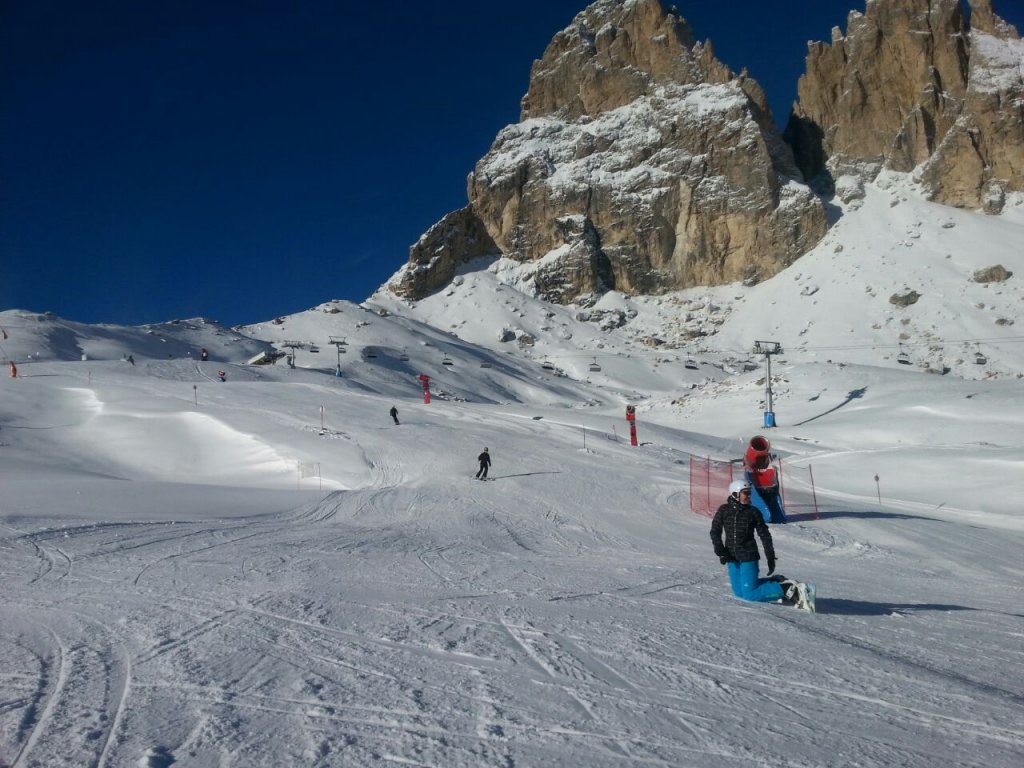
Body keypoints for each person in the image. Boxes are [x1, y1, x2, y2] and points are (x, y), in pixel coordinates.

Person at [711, 479, 808, 607]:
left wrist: (770, 556)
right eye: (746, 493)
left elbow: (764, 535)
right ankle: (776, 582)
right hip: (731, 557)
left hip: (748, 556)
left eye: (750, 493)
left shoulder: (753, 512)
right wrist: (721, 551)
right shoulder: (724, 510)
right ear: (735, 494)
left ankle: (789, 589)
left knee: (750, 595)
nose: (749, 496)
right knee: (740, 594)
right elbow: (715, 531)